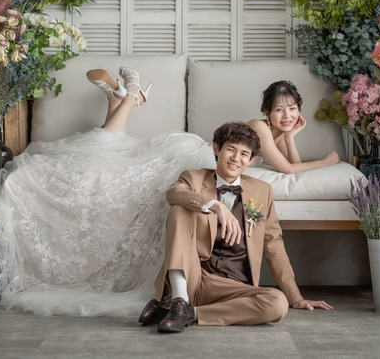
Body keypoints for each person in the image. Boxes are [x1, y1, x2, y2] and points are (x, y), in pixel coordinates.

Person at [0, 67, 215, 317]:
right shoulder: (205, 153)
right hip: (175, 152)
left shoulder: (202, 164)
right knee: (100, 159)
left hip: (180, 159)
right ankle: (128, 98)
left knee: (94, 165)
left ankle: (126, 99)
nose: (236, 158)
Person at [139, 122, 333, 333]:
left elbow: (273, 245)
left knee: (277, 302)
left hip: (234, 286)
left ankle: (189, 313)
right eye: (230, 149)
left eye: (244, 154)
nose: (236, 158)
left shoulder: (262, 191)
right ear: (216, 149)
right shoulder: (194, 178)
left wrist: (296, 298)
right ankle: (179, 300)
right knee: (179, 210)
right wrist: (216, 206)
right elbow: (173, 194)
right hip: (193, 277)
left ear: (250, 160)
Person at [247, 80, 340, 173]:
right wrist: (324, 162)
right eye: (279, 109)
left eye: (292, 108)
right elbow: (289, 169)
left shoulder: (279, 135)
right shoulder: (259, 127)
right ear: (267, 112)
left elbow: (296, 166)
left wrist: (289, 137)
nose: (287, 116)